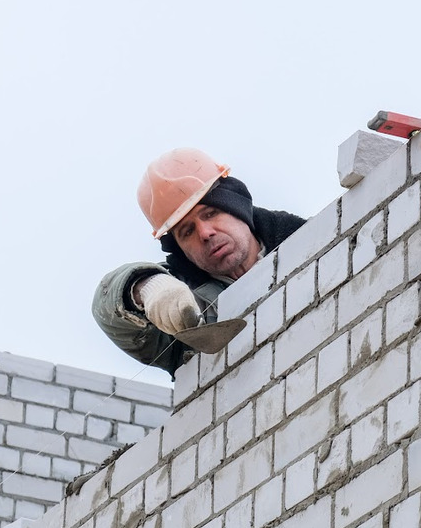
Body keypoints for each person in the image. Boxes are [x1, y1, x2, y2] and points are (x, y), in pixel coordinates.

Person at [92, 148, 305, 376]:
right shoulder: (189, 309)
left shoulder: (311, 243)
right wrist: (147, 288)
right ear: (181, 250)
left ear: (237, 207)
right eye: (187, 231)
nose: (204, 233)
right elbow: (105, 307)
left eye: (210, 213)